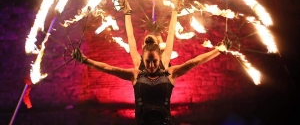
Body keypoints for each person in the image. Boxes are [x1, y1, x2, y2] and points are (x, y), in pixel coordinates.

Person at [72, 38, 230, 124]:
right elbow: (109, 69)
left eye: (154, 61)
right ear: (143, 59)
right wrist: (85, 60)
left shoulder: (170, 73)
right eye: (148, 62)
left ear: (160, 58)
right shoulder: (135, 75)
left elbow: (195, 61)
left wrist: (219, 50)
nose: (151, 65)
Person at [121, 0, 178, 70]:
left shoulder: (164, 60)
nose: (149, 44)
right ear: (142, 46)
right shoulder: (138, 61)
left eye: (149, 42)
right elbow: (130, 36)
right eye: (148, 42)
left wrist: (127, 14)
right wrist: (127, 13)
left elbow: (171, 32)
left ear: (158, 46)